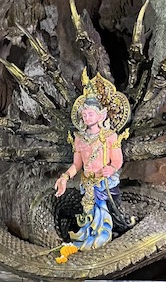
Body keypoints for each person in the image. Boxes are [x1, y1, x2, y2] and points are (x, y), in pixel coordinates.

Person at [54, 71, 130, 250]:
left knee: (103, 215)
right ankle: (87, 238)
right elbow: (77, 165)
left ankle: (103, 238)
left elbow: (117, 161)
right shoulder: (79, 139)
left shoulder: (109, 136)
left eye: (91, 114)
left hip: (103, 183)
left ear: (101, 115)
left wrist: (111, 169)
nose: (87, 117)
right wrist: (65, 177)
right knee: (87, 215)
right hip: (87, 184)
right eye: (85, 115)